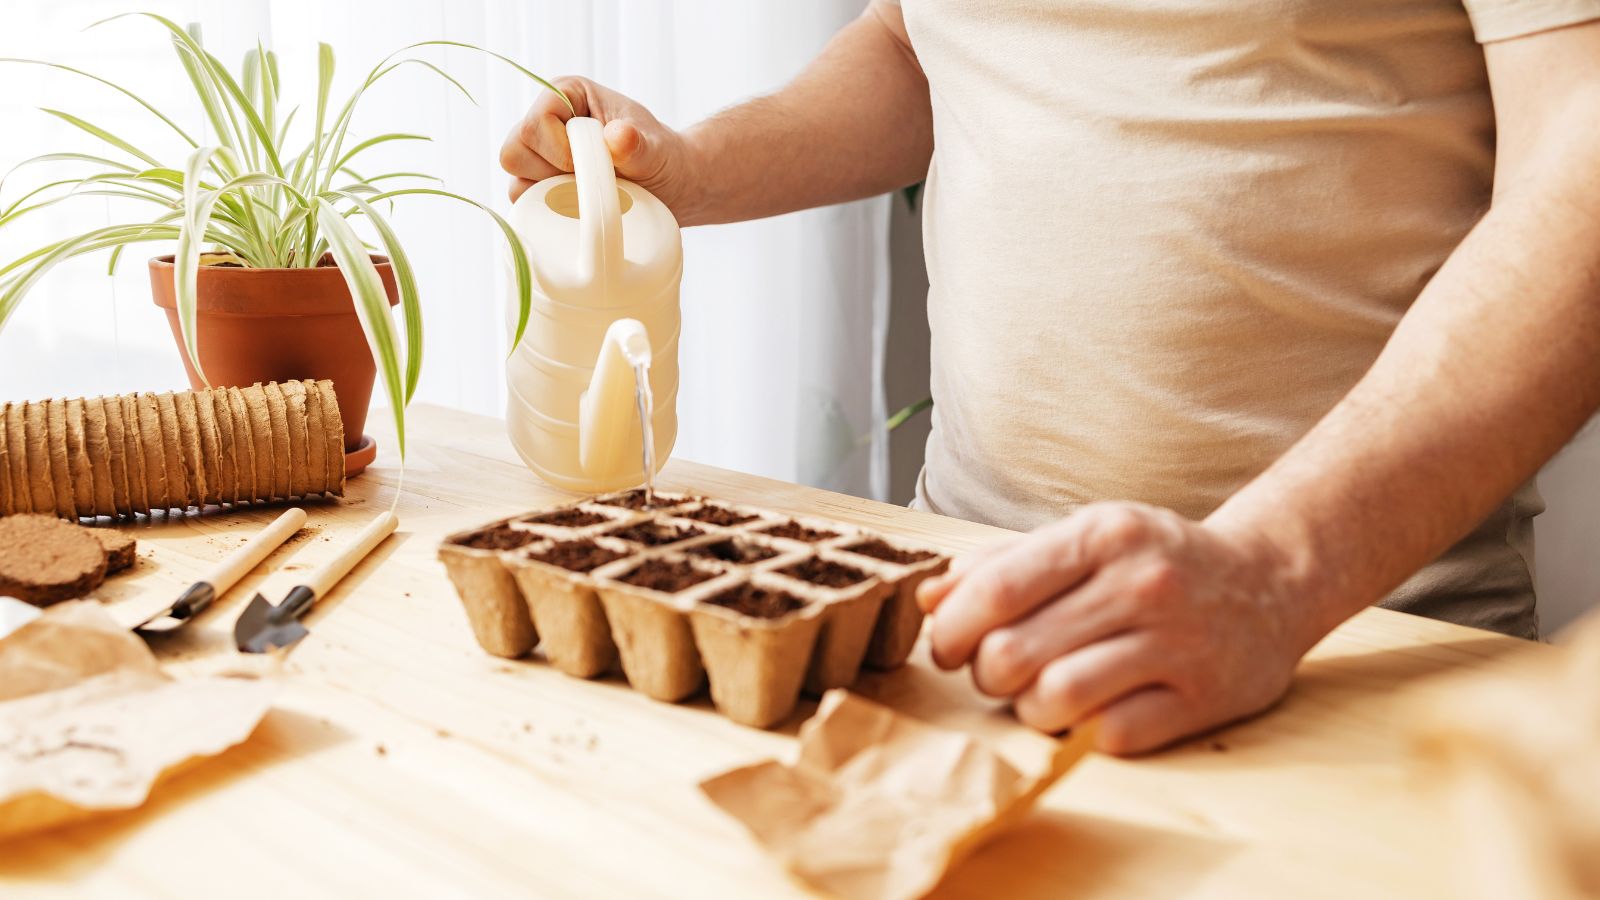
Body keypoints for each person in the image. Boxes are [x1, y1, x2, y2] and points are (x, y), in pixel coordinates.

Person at [500, 1, 1600, 754]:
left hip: (1356, 640)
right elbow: (920, 41)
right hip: (960, 612)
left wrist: (1272, 578)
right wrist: (695, 167)